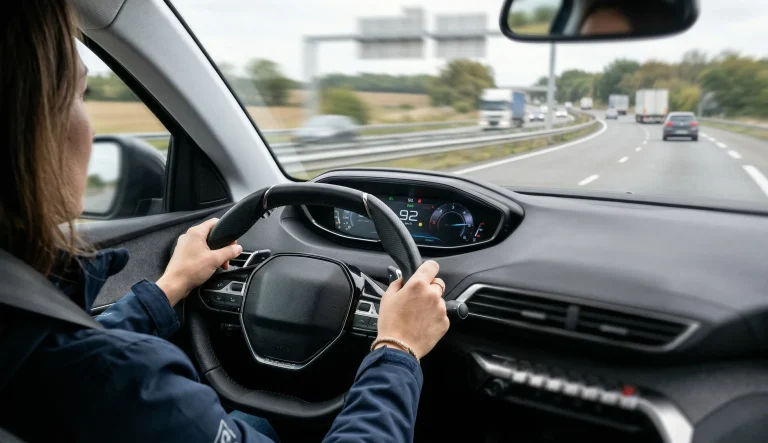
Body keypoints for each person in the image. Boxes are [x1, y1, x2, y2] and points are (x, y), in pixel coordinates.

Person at [0, 2, 450, 442]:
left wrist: (171, 285)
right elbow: (94, 368)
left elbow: (63, 357)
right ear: (33, 126)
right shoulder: (131, 386)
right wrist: (398, 347)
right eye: (80, 95)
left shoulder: (31, 335)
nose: (91, 128)